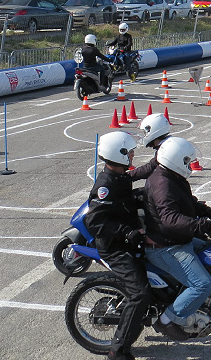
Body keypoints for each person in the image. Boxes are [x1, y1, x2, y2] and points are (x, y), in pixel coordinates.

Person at [142, 137, 211, 340]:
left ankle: (194, 302)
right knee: (203, 284)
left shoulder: (172, 177)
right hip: (165, 247)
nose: (189, 164)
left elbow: (188, 202)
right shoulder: (163, 183)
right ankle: (168, 320)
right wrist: (204, 225)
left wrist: (210, 212)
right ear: (175, 159)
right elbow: (170, 219)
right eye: (187, 160)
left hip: (177, 240)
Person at [83, 131, 150, 360]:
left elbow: (126, 200)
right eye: (129, 152)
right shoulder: (106, 184)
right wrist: (127, 231)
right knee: (140, 293)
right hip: (114, 248)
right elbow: (94, 221)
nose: (132, 155)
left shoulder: (120, 176)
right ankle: (118, 350)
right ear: (118, 154)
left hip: (127, 240)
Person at [129, 113, 171, 182]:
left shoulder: (165, 149)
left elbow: (150, 168)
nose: (145, 136)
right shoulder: (167, 144)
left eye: (146, 132)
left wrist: (128, 176)